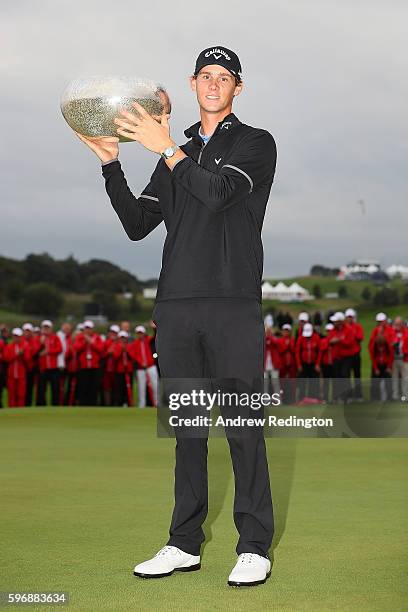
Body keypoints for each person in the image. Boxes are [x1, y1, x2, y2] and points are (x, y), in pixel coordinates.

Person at [76, 45, 277, 587]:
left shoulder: (254, 144)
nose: (214, 84)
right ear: (192, 84)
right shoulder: (176, 150)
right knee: (188, 430)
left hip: (233, 303)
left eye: (225, 77)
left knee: (241, 427)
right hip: (178, 305)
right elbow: (139, 223)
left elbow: (217, 194)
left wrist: (166, 148)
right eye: (206, 76)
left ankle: (254, 544)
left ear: (238, 88)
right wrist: (111, 163)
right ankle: (183, 543)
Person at [34, 320, 63, 406]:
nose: (46, 329)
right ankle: (41, 405)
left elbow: (59, 349)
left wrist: (49, 351)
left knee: (55, 388)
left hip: (53, 368)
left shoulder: (55, 337)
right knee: (41, 389)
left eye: (48, 328)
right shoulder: (38, 338)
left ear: (51, 328)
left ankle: (55, 405)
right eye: (44, 327)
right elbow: (35, 352)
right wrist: (41, 344)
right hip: (42, 368)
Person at [131, 326, 159, 408]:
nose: (140, 335)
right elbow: (134, 355)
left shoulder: (148, 340)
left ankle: (157, 403)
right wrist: (141, 362)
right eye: (138, 333)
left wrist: (154, 328)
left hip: (150, 366)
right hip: (141, 368)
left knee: (155, 385)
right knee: (141, 387)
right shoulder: (135, 343)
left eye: (141, 333)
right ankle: (141, 405)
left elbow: (155, 336)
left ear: (144, 333)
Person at [4, 328, 31, 407]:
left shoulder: (24, 346)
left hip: (21, 374)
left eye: (18, 336)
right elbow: (6, 358)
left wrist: (22, 354)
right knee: (11, 393)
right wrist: (17, 355)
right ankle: (11, 408)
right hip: (11, 374)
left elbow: (28, 359)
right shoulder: (9, 346)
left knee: (21, 394)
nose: (16, 338)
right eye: (15, 336)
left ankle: (20, 408)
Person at [344, 308, 364, 400]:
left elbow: (360, 337)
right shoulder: (344, 327)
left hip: (356, 354)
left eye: (351, 317)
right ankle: (349, 395)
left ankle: (358, 395)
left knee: (357, 375)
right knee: (347, 376)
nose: (350, 319)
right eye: (348, 317)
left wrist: (352, 333)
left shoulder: (357, 326)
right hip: (347, 355)